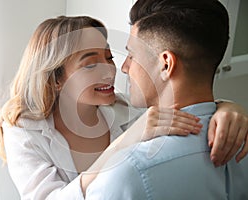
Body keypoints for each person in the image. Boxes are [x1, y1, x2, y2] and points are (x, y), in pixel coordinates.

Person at [0, 16, 247, 199]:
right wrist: (121, 144)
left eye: (109, 57)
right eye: (89, 65)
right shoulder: (23, 130)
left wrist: (228, 108)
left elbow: (186, 105)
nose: (111, 70)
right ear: (56, 79)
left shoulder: (124, 109)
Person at [84, 0, 248, 199]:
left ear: (165, 65)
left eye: (131, 55)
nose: (125, 67)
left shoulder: (125, 175)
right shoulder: (242, 139)